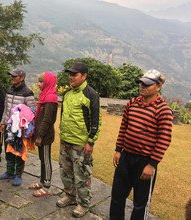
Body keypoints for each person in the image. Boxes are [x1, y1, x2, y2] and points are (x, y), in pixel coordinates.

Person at [109, 69, 173, 220]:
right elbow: (124, 127)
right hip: (126, 157)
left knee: (140, 203)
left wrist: (152, 164)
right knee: (117, 195)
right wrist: (118, 150)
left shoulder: (163, 110)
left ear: (158, 86)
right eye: (141, 83)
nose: (142, 86)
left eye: (147, 84)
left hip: (145, 161)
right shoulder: (132, 103)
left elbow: (164, 139)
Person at [57, 62, 101, 218]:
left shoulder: (91, 94)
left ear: (84, 76)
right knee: (65, 171)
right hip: (65, 140)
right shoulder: (67, 93)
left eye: (75, 74)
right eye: (70, 74)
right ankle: (69, 196)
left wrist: (91, 142)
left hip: (80, 144)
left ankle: (83, 204)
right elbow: (63, 116)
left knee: (82, 174)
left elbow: (96, 120)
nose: (71, 77)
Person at [0, 68, 36, 186]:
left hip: (20, 129)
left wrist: (26, 128)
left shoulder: (27, 93)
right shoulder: (9, 91)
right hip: (9, 126)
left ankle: (18, 175)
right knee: (9, 149)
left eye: (14, 76)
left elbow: (32, 111)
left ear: (22, 78)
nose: (12, 78)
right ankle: (9, 172)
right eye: (11, 76)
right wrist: (3, 123)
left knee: (18, 151)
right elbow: (6, 109)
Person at [28, 72, 58, 197]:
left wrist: (40, 136)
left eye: (41, 82)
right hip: (40, 134)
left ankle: (46, 186)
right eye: (39, 81)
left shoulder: (50, 99)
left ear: (48, 82)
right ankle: (41, 181)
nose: (39, 84)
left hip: (45, 136)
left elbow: (47, 119)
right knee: (42, 159)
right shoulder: (44, 96)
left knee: (46, 159)